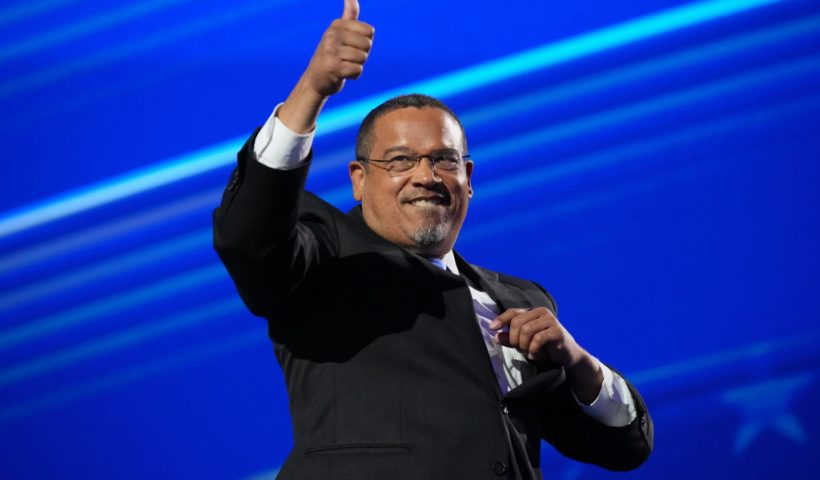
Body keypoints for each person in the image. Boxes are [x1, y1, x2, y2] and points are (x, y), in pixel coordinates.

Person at [213, 1, 653, 478]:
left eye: (443, 160)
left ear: (467, 178)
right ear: (359, 181)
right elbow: (248, 236)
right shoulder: (321, 261)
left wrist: (576, 360)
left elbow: (624, 448)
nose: (425, 176)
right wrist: (312, 90)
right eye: (400, 161)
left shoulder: (519, 302)